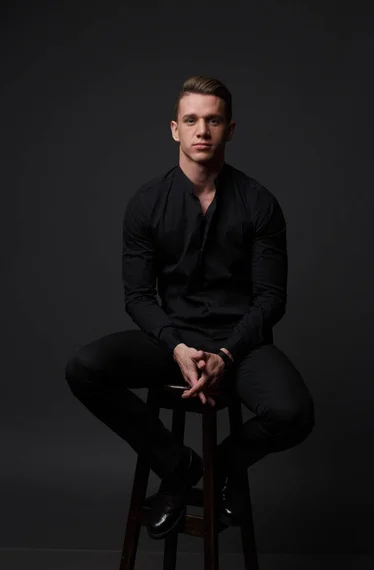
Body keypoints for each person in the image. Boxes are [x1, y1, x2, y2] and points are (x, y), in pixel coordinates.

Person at [65, 75, 315, 540]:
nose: (202, 130)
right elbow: (139, 297)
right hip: (173, 339)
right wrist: (176, 347)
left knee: (293, 414)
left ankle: (221, 467)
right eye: (192, 120)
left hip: (240, 343)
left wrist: (226, 356)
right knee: (84, 369)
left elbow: (270, 299)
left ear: (230, 129)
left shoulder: (259, 203)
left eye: (213, 120)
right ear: (175, 129)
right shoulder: (146, 204)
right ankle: (178, 465)